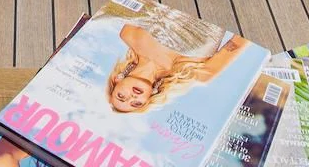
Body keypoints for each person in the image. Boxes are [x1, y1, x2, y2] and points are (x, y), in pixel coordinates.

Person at [106, 18, 251, 113]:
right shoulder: (198, 74)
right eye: (136, 104)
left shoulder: (128, 34)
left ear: (117, 80)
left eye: (121, 96)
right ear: (148, 99)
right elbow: (240, 40)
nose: (131, 97)